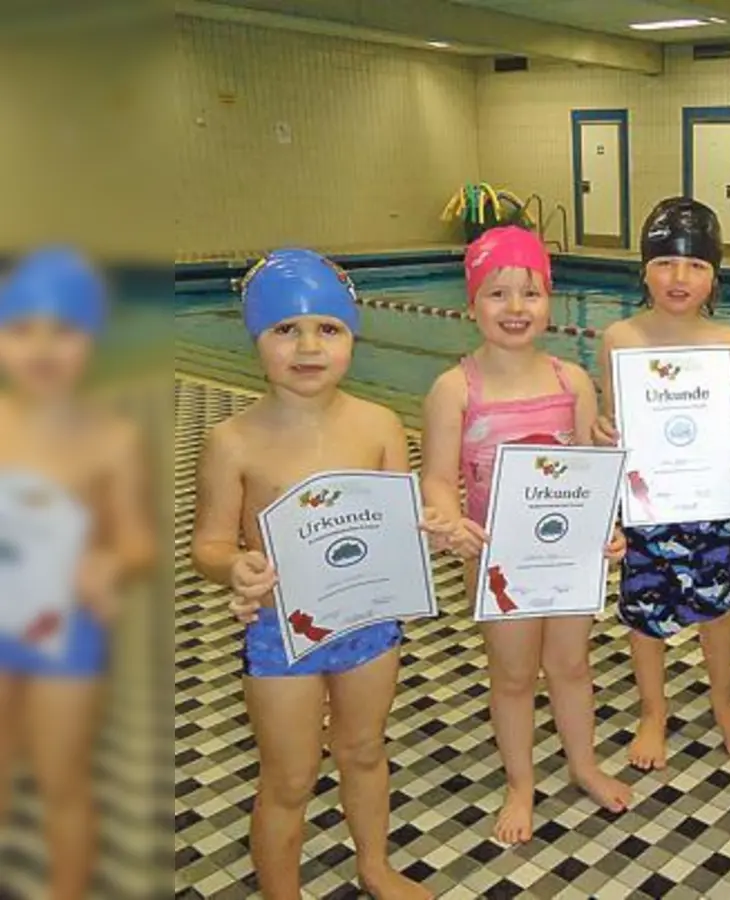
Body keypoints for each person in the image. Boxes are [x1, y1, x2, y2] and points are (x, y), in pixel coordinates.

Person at [189, 249, 431, 899]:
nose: (307, 346)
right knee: (290, 778)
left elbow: (396, 523)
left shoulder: (380, 425)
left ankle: (374, 866)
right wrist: (232, 567)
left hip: (367, 622)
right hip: (281, 634)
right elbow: (208, 545)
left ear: (352, 337)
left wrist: (430, 527)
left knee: (363, 751)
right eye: (284, 330)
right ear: (255, 339)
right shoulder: (232, 442)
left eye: (328, 329)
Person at [418, 225, 630, 846]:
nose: (515, 309)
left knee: (570, 665)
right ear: (471, 303)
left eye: (529, 293)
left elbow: (596, 476)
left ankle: (583, 764)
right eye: (497, 294)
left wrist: (610, 527)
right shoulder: (456, 389)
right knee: (511, 676)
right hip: (496, 560)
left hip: (567, 556)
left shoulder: (572, 384)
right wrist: (448, 520)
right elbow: (436, 477)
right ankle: (520, 782)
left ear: (550, 300)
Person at [0, 247, 156, 900]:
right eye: (21, 329)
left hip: (65, 628)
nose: (42, 348)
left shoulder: (110, 439)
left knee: (64, 780)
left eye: (62, 331)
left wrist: (110, 563)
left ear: (89, 342)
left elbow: (137, 541)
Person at [593, 197, 730, 770]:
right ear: (644, 269)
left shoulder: (727, 340)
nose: (679, 278)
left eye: (694, 265)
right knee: (645, 615)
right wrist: (601, 427)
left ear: (715, 274)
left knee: (716, 608)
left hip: (706, 498)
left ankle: (723, 700)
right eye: (665, 263)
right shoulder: (620, 338)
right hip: (644, 502)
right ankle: (653, 711)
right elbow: (611, 425)